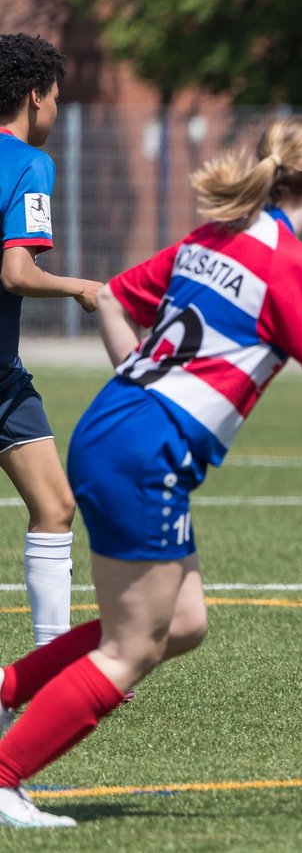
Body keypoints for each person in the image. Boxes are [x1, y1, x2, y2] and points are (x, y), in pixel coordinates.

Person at [0, 114, 302, 828]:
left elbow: (113, 298)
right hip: (143, 452)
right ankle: (6, 778)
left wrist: (136, 376)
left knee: (181, 623)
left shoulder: (212, 237)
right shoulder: (292, 265)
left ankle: (8, 687)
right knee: (132, 648)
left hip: (115, 427)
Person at [0, 34, 103, 650]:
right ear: (35, 96)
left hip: (5, 380)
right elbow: (15, 272)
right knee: (55, 508)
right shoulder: (28, 162)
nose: (58, 113)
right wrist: (81, 288)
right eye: (57, 99)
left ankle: (52, 663)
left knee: (55, 504)